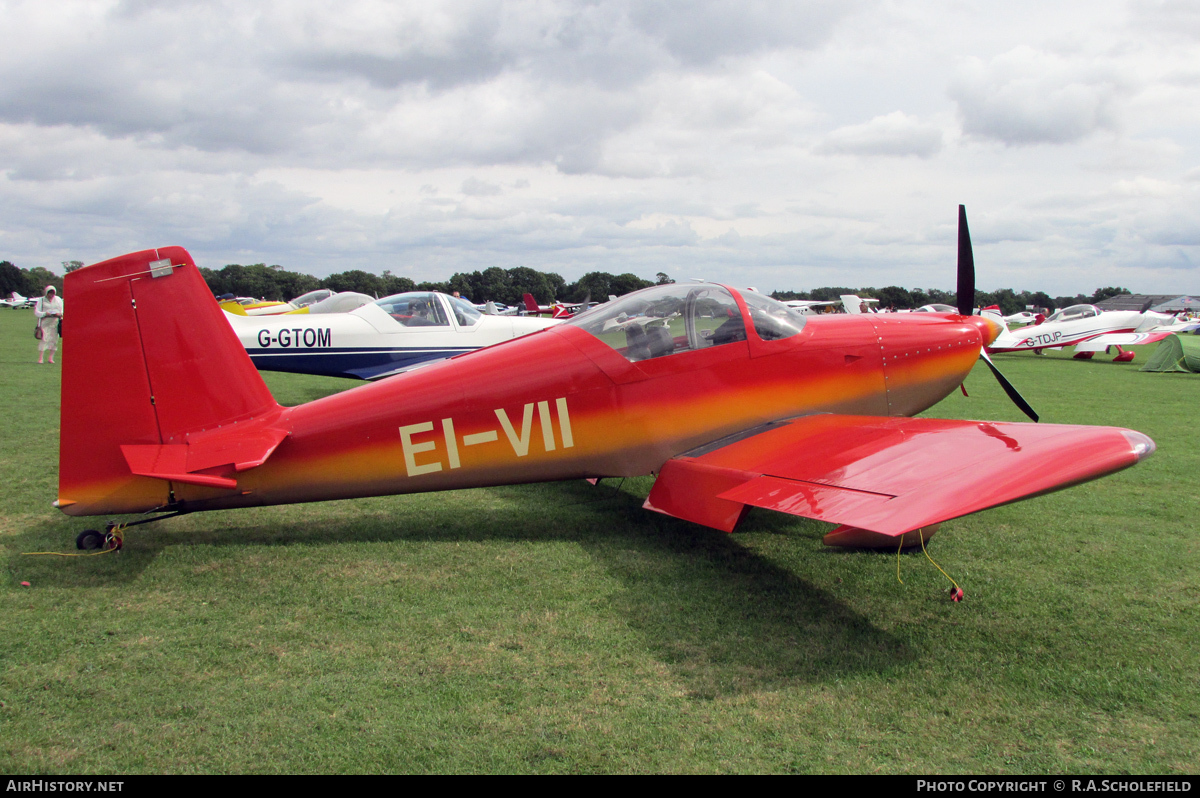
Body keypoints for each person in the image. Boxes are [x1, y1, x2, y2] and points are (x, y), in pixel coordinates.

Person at [35, 285, 63, 364]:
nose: (51, 295)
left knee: (54, 339)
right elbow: (37, 312)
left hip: (54, 322)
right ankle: (41, 358)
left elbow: (62, 310)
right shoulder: (41, 300)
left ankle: (51, 358)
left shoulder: (58, 300)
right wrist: (45, 313)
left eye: (52, 293)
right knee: (44, 339)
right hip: (45, 321)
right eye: (49, 293)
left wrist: (59, 314)